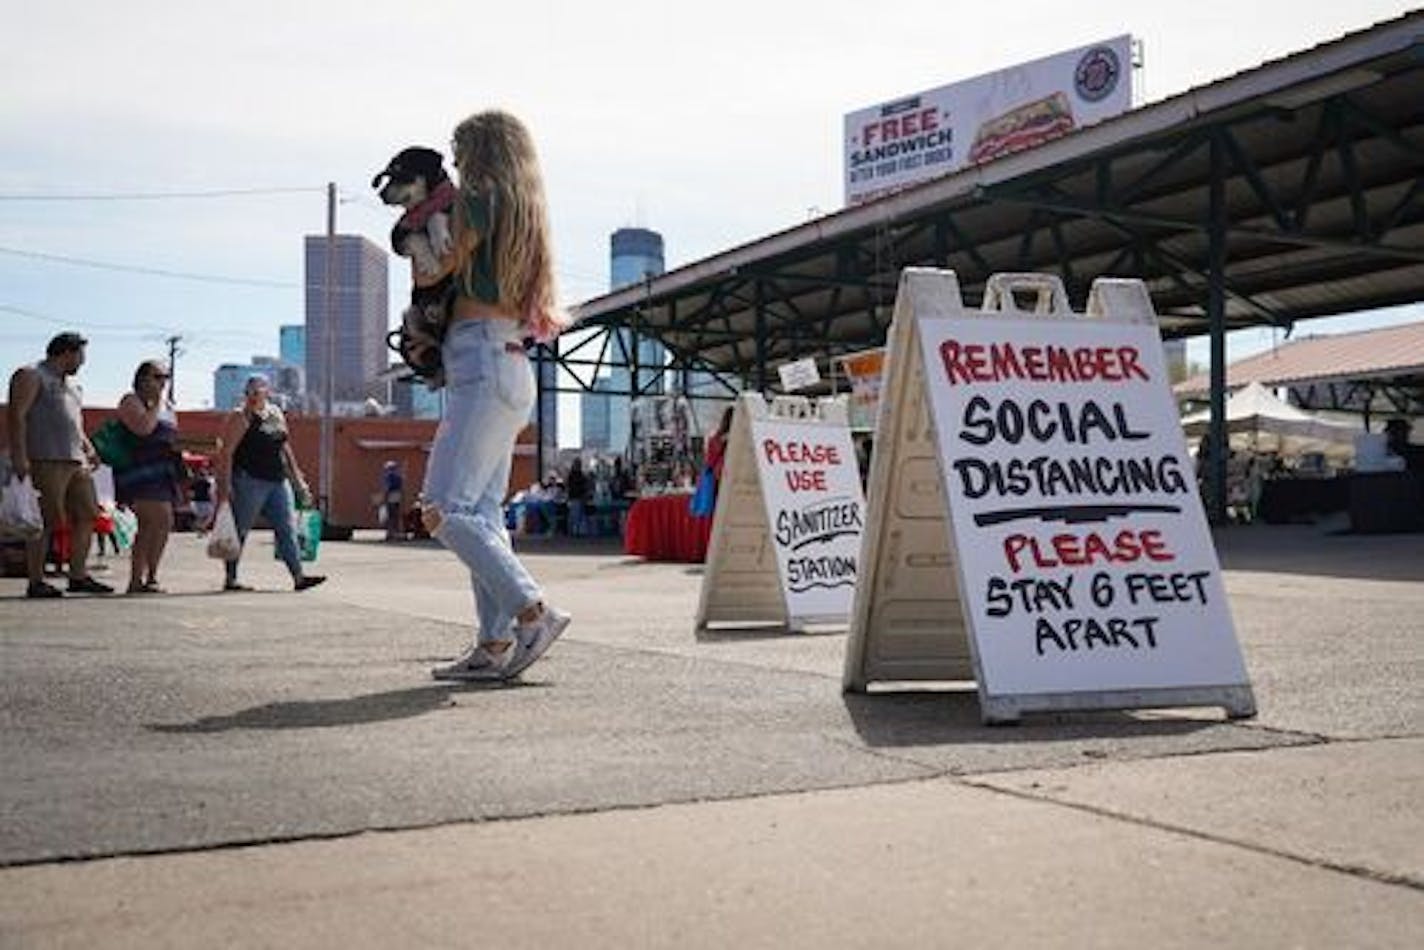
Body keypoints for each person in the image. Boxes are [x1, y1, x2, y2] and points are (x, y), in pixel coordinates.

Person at [419, 109, 572, 682]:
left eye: (458, 152)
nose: (454, 164)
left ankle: (533, 611)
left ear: (478, 151)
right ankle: (494, 644)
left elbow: (440, 267)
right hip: (508, 364)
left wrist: (426, 231)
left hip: (481, 361)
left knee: (444, 509)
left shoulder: (479, 196)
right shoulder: (525, 213)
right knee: (481, 513)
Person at [5, 332, 112, 598]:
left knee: (88, 515)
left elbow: (75, 424)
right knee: (44, 520)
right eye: (80, 355)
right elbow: (16, 415)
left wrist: (90, 449)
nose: (82, 362)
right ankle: (36, 580)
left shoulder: (74, 388)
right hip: (45, 458)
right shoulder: (31, 375)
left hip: (76, 460)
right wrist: (20, 455)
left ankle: (78, 575)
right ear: (67, 352)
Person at [214, 375, 326, 593]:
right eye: (250, 392)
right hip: (249, 480)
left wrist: (298, 481)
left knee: (286, 527)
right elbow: (226, 452)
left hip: (277, 480)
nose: (254, 396)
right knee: (241, 529)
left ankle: (298, 576)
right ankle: (231, 577)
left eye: (258, 391)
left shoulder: (275, 413)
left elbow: (285, 448)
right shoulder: (241, 416)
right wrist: (225, 486)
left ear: (267, 392)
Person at [113, 360, 181, 594]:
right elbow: (143, 428)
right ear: (142, 379)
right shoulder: (131, 401)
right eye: (157, 377)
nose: (162, 382)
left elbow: (172, 437)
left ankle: (150, 575)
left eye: (165, 378)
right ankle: (138, 579)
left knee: (162, 524)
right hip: (139, 471)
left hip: (163, 471)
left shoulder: (168, 406)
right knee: (154, 521)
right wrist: (153, 405)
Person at [565, 456, 591, 536]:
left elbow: (568, 486)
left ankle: (574, 530)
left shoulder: (571, 475)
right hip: (578, 497)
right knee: (578, 515)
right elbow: (585, 486)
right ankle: (577, 531)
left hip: (574, 497)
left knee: (574, 515)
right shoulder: (581, 476)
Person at [381, 460, 404, 541]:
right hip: (397, 496)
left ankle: (390, 534)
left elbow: (388, 487)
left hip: (391, 496)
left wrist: (385, 497)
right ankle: (396, 534)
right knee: (395, 516)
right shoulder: (399, 476)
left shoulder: (389, 476)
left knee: (390, 516)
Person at [190, 466, 215, 535]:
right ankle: (202, 527)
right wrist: (212, 500)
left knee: (200, 517)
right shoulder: (207, 483)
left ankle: (201, 528)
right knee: (210, 516)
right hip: (205, 501)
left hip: (196, 501)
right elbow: (210, 492)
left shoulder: (194, 482)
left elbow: (191, 493)